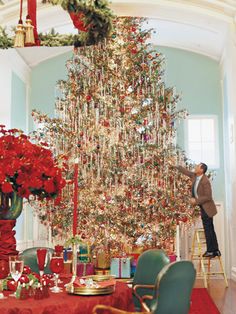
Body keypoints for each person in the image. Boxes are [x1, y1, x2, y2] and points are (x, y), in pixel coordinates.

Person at [176, 162, 221, 258]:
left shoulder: (205, 181)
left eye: (197, 166)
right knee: (210, 228)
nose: (195, 167)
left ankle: (211, 251)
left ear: (201, 169)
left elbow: (208, 196)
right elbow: (186, 172)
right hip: (203, 207)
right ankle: (215, 250)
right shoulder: (195, 176)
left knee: (208, 229)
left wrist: (195, 200)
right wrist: (177, 166)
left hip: (208, 208)